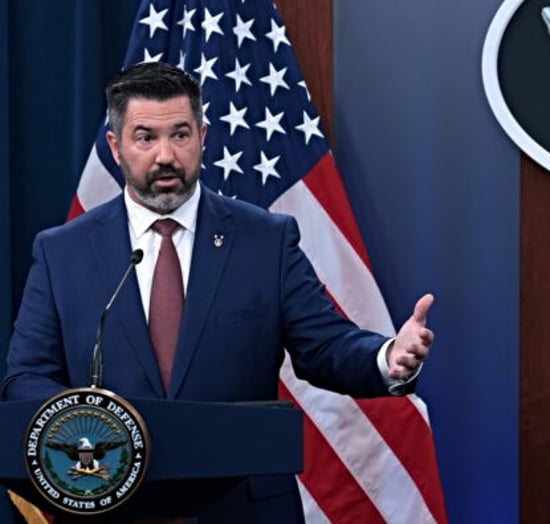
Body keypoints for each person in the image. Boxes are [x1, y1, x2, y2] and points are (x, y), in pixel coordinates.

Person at [2, 61, 434, 523]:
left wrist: (386, 358)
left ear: (203, 137)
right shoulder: (63, 252)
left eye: (181, 135)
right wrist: (92, 427)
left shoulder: (265, 239)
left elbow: (325, 345)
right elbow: (27, 376)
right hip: (110, 505)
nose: (165, 155)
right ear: (116, 146)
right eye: (146, 137)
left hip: (240, 508)